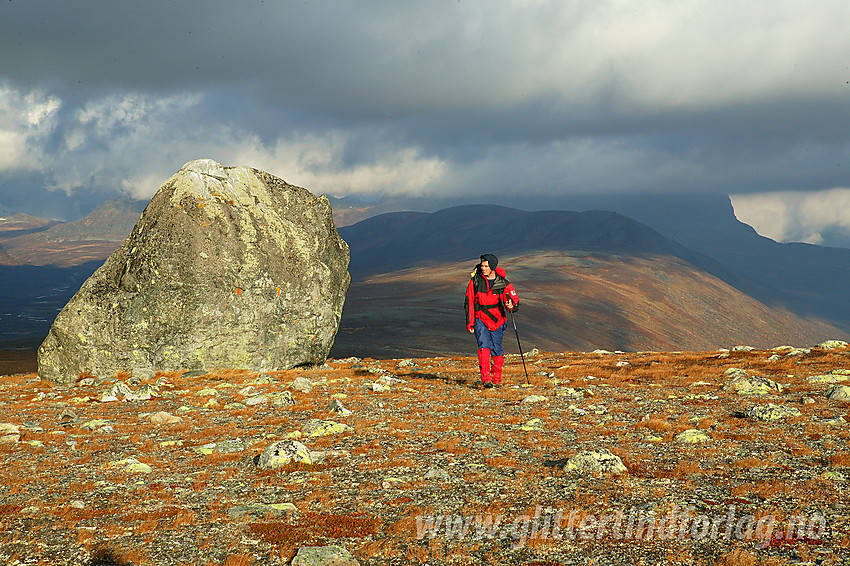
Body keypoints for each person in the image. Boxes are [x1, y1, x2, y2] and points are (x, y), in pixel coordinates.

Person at [464, 253, 520, 388]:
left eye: (486, 266)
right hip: (480, 319)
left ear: (492, 267)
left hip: (498, 320)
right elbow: (469, 302)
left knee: (497, 349)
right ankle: (486, 380)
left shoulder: (503, 283)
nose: (483, 268)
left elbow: (514, 300)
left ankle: (497, 379)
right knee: (484, 347)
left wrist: (512, 306)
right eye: (482, 266)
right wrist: (470, 323)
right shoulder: (475, 281)